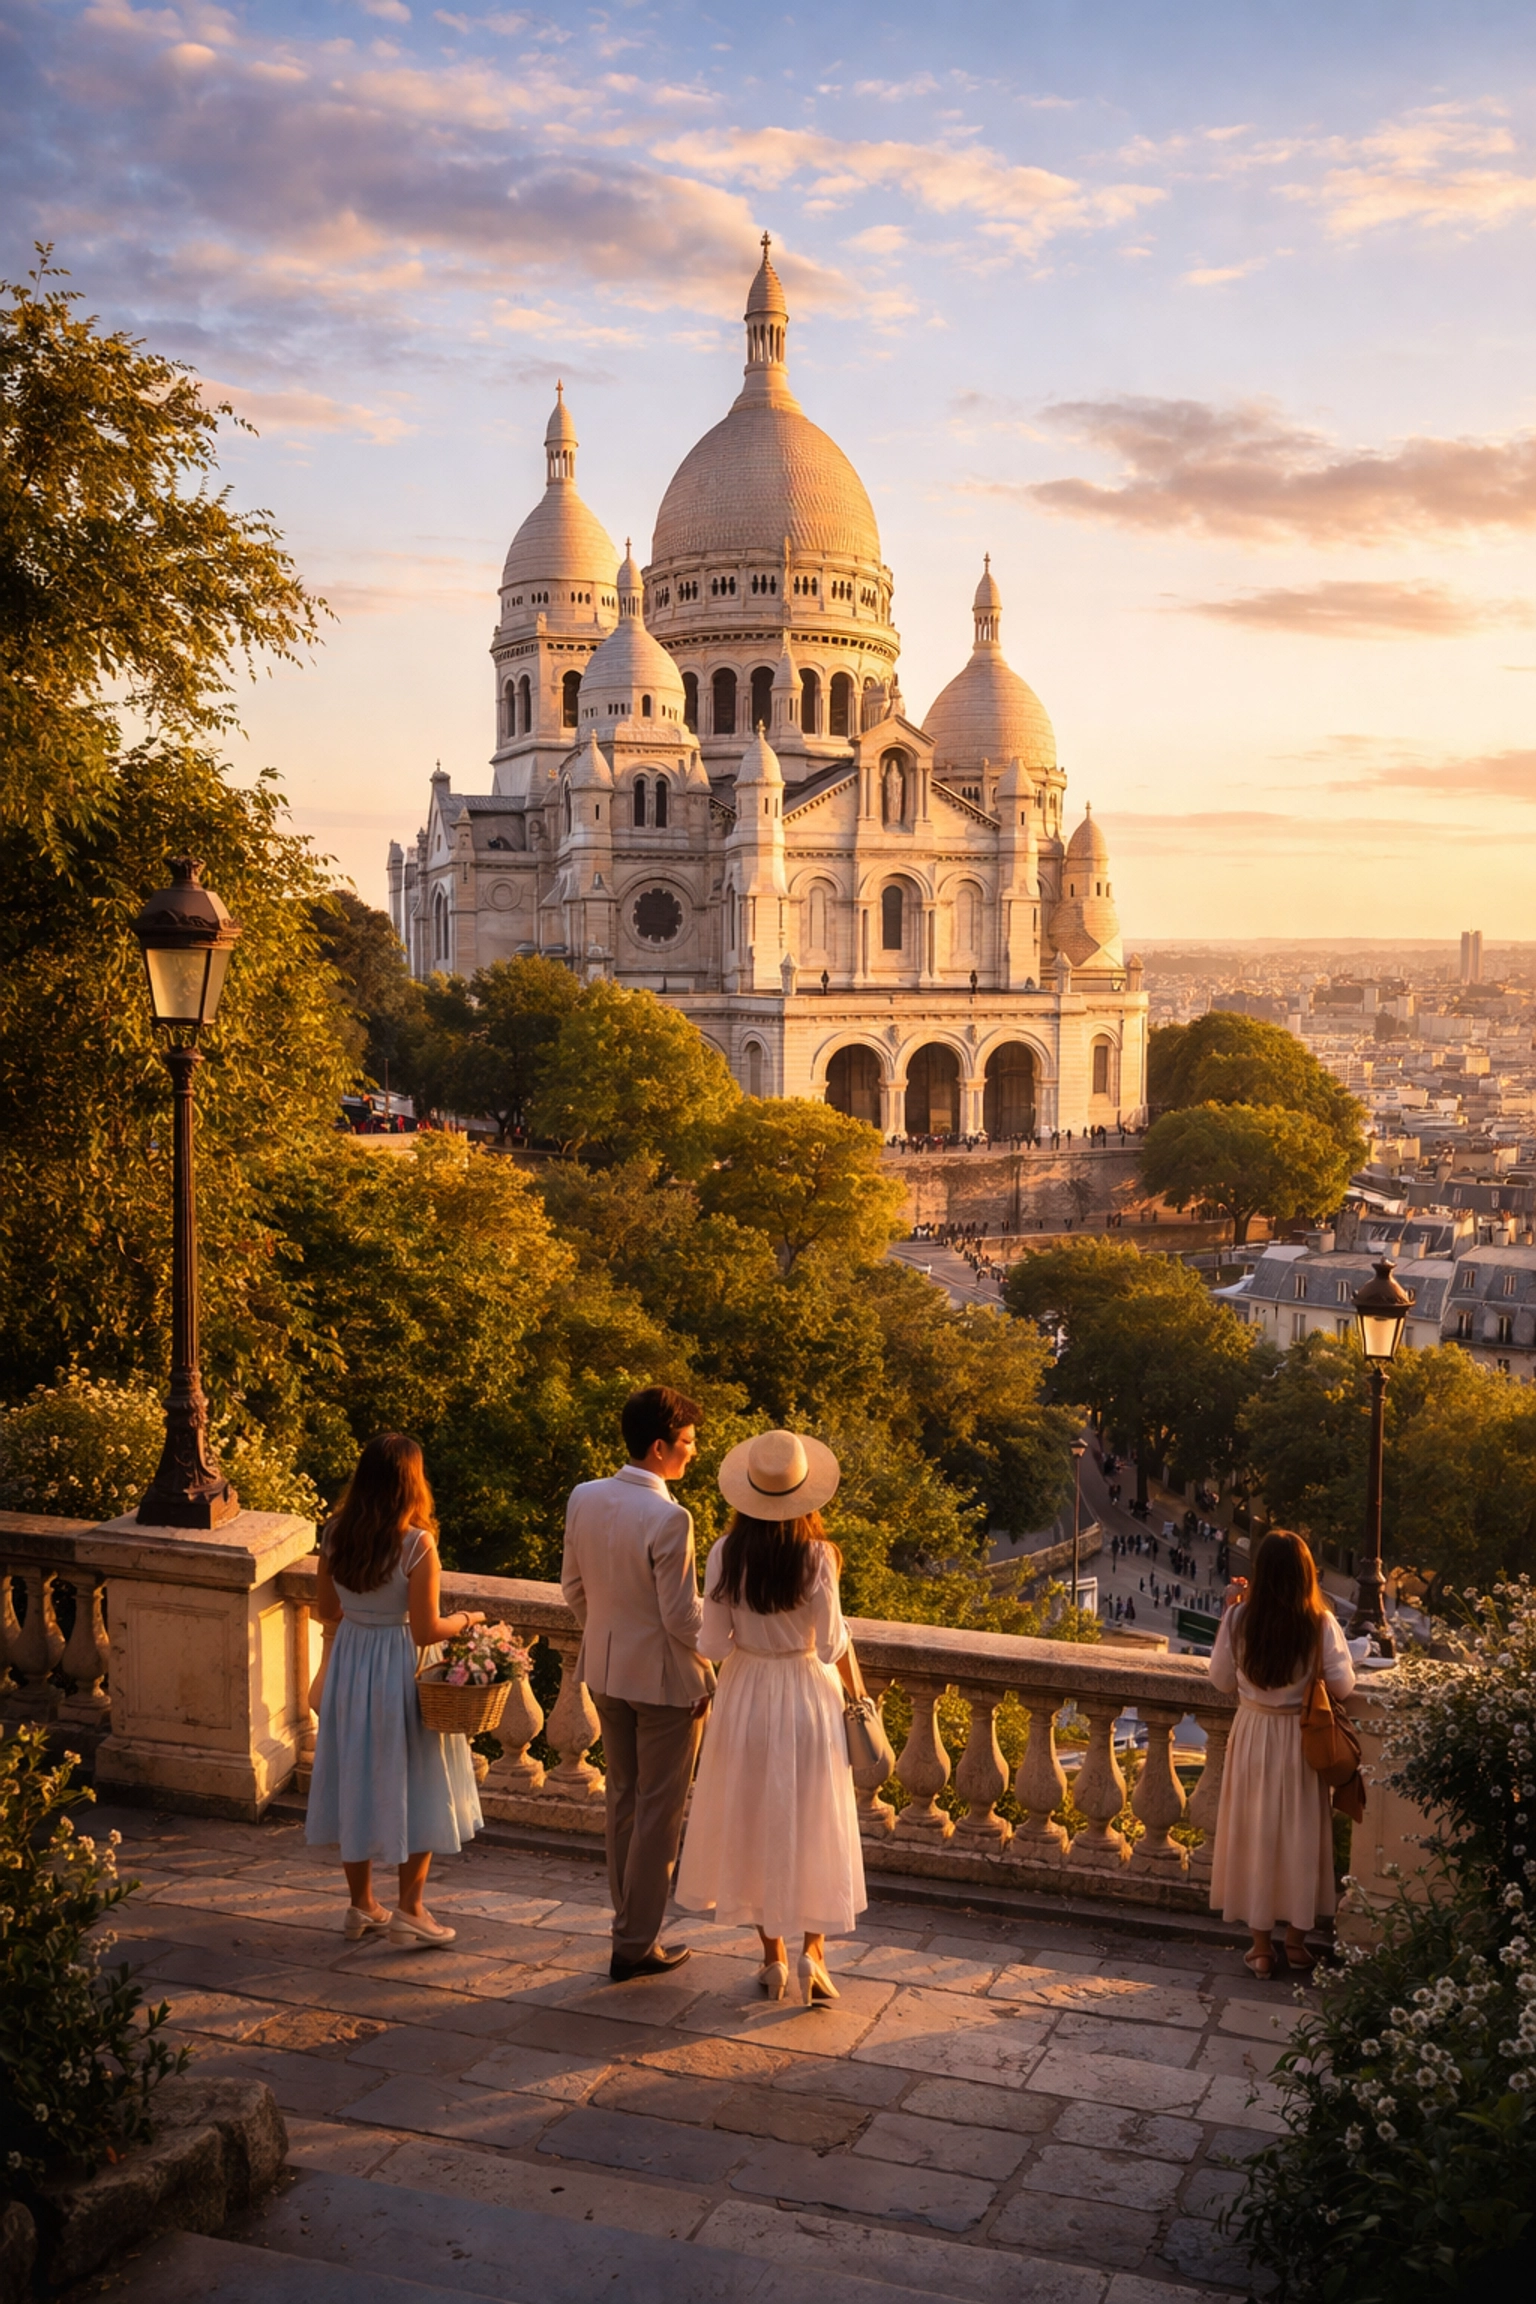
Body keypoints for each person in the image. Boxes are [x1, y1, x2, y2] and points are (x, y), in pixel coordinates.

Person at [675, 1429, 866, 2007]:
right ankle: (814, 1953)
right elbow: (833, 1643)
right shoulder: (819, 1556)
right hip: (808, 1689)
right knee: (813, 1817)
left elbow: (711, 1643)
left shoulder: (723, 1554)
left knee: (757, 1816)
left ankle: (772, 1958)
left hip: (747, 1691)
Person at [307, 1432, 484, 1946]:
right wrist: (468, 1617)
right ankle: (411, 1907)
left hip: (352, 1662)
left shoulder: (336, 1532)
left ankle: (361, 1905)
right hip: (400, 1666)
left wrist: (363, 1612)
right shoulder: (416, 1543)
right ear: (413, 1480)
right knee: (420, 1778)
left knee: (354, 1775)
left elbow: (326, 1611)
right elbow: (427, 1629)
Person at [561, 1385, 712, 1982]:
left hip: (604, 1670)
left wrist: (606, 1636)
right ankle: (634, 1944)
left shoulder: (585, 1495)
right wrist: (723, 1631)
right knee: (659, 1814)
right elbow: (682, 1619)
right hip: (665, 1684)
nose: (693, 1454)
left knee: (622, 1801)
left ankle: (627, 1925)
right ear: (659, 1447)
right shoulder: (671, 1517)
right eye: (687, 1444)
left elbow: (574, 1588)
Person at [1208, 1529, 1355, 1979]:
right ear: (1306, 1574)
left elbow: (1220, 1680)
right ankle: (1295, 1943)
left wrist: (1230, 1608)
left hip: (1253, 1734)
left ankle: (1260, 1950)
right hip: (1301, 1738)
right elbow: (1344, 1686)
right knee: (1299, 1836)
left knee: (1254, 1836)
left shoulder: (1239, 1620)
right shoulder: (1319, 1623)